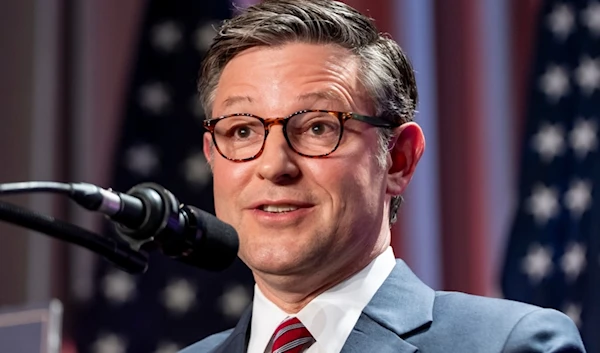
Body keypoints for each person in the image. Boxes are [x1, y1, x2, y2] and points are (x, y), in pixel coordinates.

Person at [181, 0, 585, 352]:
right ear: (212, 155)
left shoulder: (508, 343)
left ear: (398, 160)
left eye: (319, 127)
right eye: (242, 131)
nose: (273, 166)